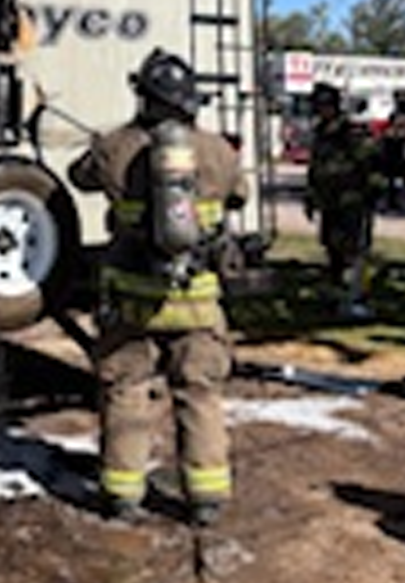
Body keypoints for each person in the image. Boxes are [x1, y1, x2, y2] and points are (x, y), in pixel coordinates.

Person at [69, 48, 246, 527]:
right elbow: (239, 194)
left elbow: (79, 177)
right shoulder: (217, 151)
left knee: (126, 391)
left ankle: (122, 494)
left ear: (143, 96)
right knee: (200, 395)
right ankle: (205, 498)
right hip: (198, 305)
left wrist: (102, 146)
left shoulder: (115, 147)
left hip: (131, 305)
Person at [305, 82, 380, 318]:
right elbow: (315, 167)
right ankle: (337, 297)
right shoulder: (320, 132)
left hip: (352, 201)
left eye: (324, 106)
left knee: (355, 253)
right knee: (332, 250)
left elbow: (370, 164)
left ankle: (358, 298)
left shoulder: (351, 132)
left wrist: (370, 195)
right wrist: (311, 196)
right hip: (330, 202)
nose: (320, 111)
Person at [376, 112, 405, 214]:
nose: (401, 122)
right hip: (390, 163)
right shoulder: (389, 132)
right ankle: (391, 203)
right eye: (399, 120)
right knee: (392, 183)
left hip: (399, 163)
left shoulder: (399, 132)